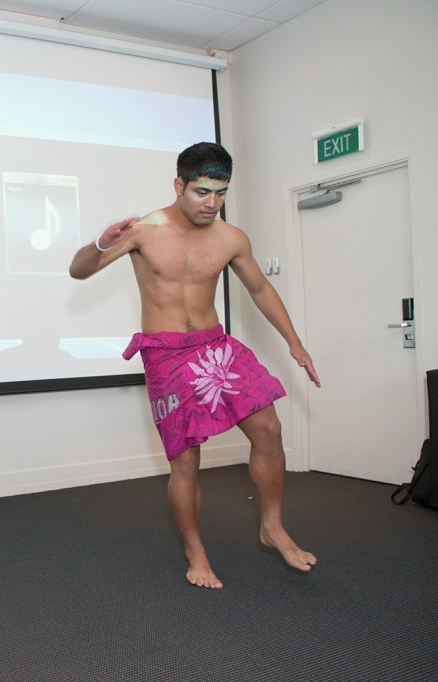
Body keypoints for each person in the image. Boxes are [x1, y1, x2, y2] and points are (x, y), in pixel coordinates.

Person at [69, 142, 320, 589]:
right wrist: (101, 243)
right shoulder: (143, 231)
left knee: (269, 428)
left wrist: (294, 342)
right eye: (202, 191)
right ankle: (195, 552)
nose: (212, 203)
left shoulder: (230, 238)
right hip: (165, 353)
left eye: (221, 193)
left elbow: (260, 289)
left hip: (214, 345)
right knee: (185, 461)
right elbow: (79, 271)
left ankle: (272, 527)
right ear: (178, 185)